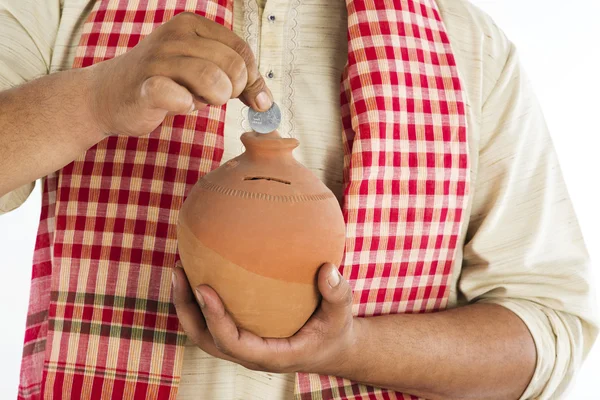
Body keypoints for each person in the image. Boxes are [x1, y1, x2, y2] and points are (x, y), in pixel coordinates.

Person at [0, 0, 597, 399]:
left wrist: (354, 348)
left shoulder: (469, 44)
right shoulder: (60, 8)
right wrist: (92, 100)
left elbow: (549, 330)